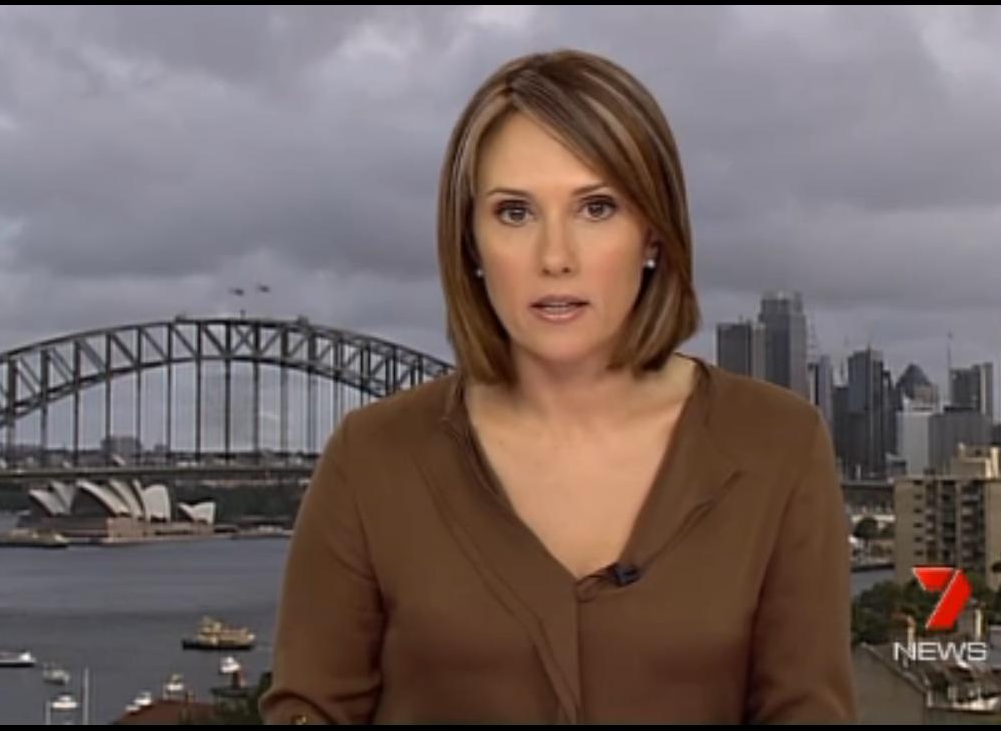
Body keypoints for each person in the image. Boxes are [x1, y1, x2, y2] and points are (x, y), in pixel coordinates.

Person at [260, 48, 854, 724]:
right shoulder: (372, 457)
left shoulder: (779, 446)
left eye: (597, 208)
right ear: (471, 243)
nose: (555, 257)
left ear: (653, 235)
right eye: (515, 213)